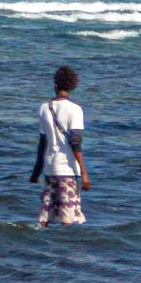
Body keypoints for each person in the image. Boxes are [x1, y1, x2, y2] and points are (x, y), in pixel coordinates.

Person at [30, 65, 89, 226]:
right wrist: (84, 173)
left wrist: (36, 172)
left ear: (55, 84)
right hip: (67, 170)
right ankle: (64, 250)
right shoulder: (75, 110)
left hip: (49, 170)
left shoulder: (44, 108)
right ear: (72, 86)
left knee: (45, 217)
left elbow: (42, 144)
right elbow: (76, 142)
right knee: (67, 219)